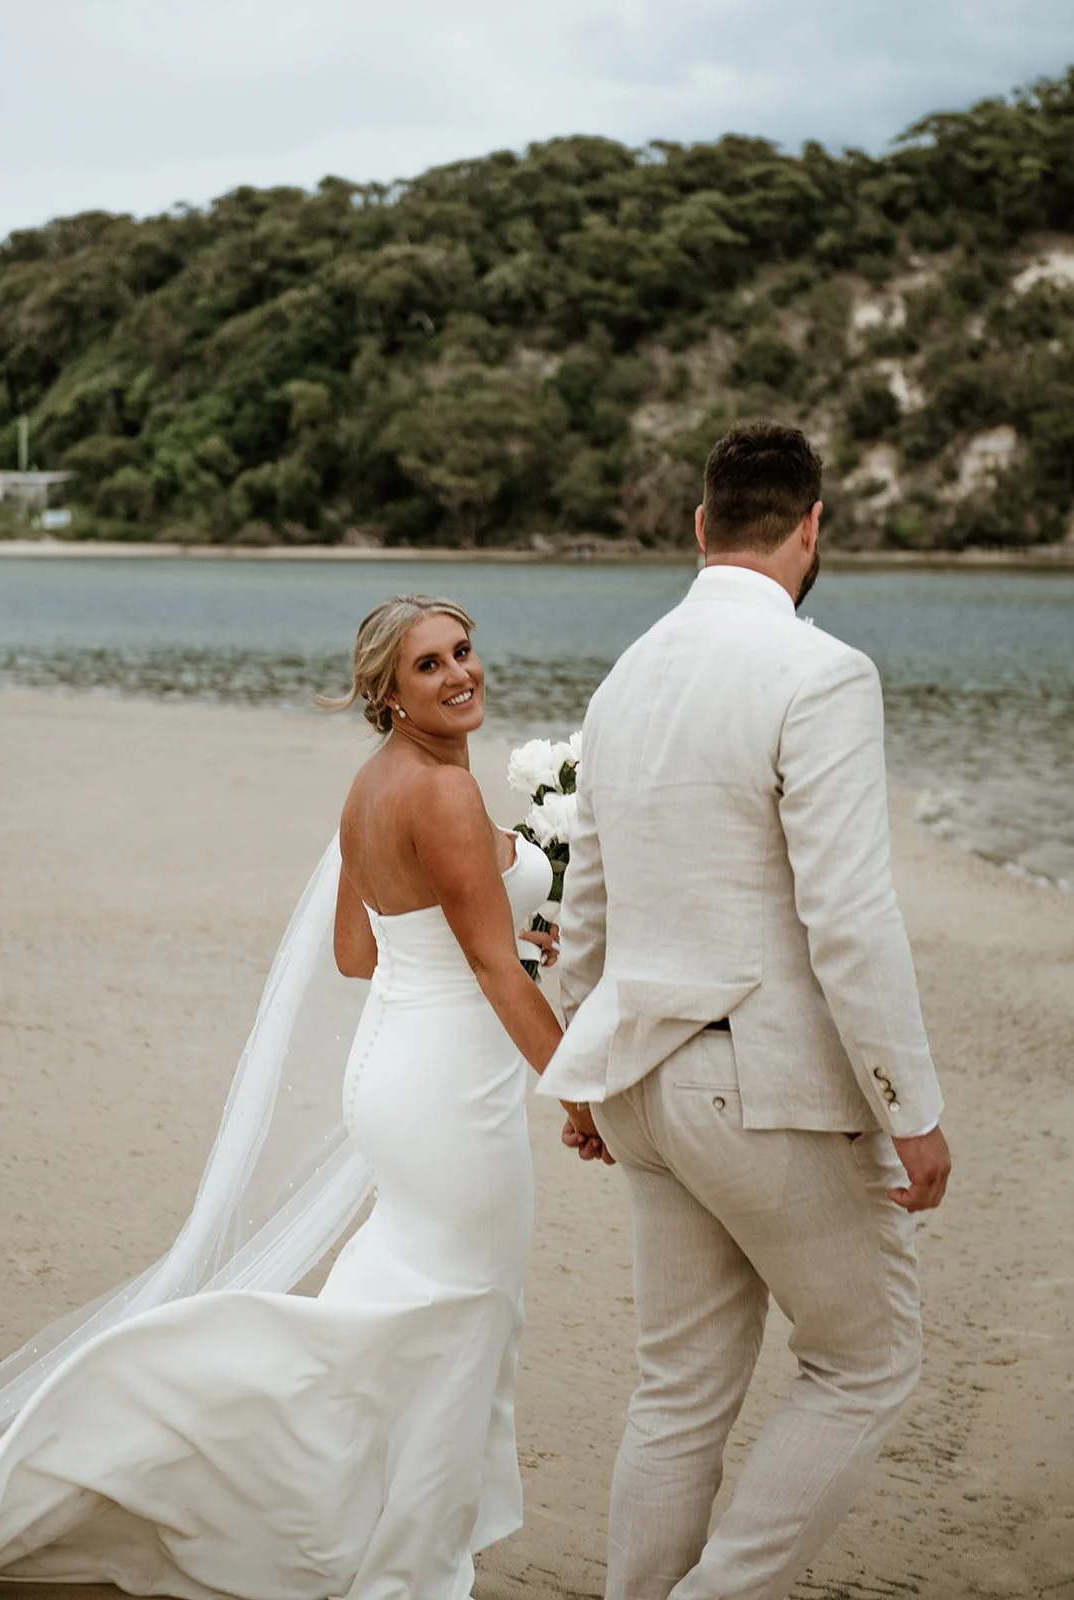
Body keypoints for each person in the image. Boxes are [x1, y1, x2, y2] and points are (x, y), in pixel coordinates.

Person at [0, 594, 603, 1600]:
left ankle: (369, 1529)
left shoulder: (371, 787)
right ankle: (403, 1565)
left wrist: (492, 945)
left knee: (408, 1312)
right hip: (450, 1093)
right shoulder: (445, 797)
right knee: (470, 1311)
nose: (461, 673)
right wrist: (580, 1094)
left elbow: (360, 951)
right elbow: (493, 972)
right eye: (429, 666)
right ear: (387, 693)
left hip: (395, 1077)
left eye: (465, 651)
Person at [540, 422, 952, 1600]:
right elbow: (849, 918)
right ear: (812, 526)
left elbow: (592, 909)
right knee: (865, 1363)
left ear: (698, 526)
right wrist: (909, 1105)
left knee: (676, 1385)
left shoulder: (625, 677)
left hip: (646, 1078)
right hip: (759, 1085)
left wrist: (587, 1078)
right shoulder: (821, 672)